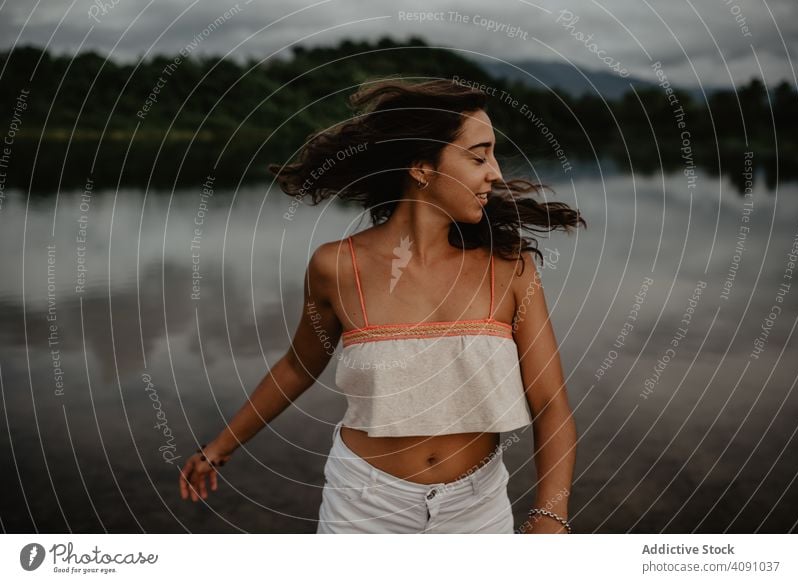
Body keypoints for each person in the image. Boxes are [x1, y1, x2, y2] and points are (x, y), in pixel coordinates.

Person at [179, 79, 585, 533]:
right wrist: (221, 447)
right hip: (363, 507)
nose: (494, 172)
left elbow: (549, 402)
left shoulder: (510, 267)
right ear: (421, 168)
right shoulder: (337, 266)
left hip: (477, 509)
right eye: (478, 156)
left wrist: (551, 514)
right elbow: (298, 366)